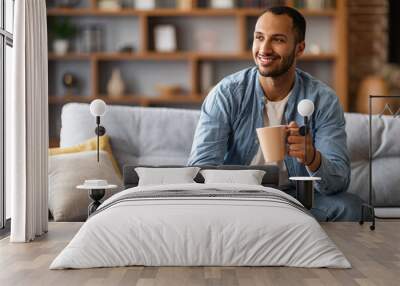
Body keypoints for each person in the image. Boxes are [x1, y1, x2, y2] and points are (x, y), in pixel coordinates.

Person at [187, 6, 362, 221]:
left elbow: (338, 182)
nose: (264, 49)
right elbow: (200, 170)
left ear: (299, 49)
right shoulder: (227, 93)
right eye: (259, 37)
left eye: (277, 40)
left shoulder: (323, 100)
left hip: (297, 200)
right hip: (238, 198)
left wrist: (312, 158)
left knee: (351, 207)